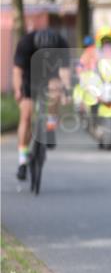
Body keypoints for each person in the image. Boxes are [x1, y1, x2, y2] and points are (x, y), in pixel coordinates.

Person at [12, 23, 71, 181]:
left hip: (50, 75)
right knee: (26, 115)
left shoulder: (61, 43)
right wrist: (18, 91)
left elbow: (64, 72)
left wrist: (66, 91)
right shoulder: (25, 43)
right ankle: (22, 161)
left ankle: (50, 127)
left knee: (56, 90)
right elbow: (17, 71)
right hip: (29, 78)